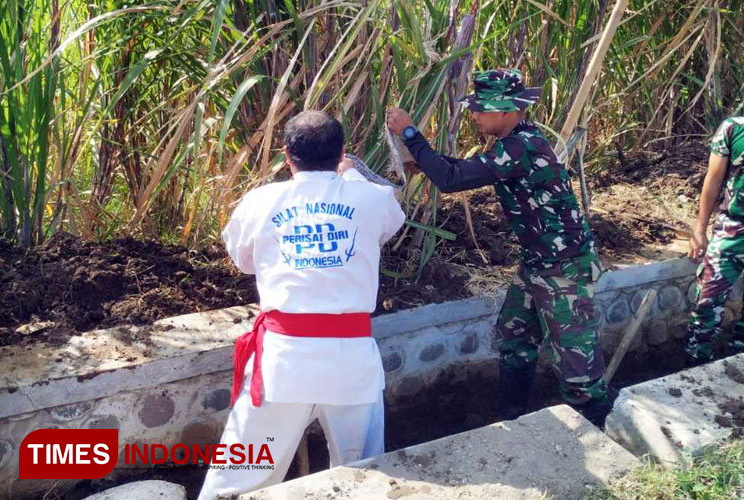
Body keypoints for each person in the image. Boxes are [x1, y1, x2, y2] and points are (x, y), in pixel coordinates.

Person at [198, 110, 406, 499]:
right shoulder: (370, 198)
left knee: (239, 474)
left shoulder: (260, 201)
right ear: (342, 151)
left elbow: (244, 262)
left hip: (283, 363)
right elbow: (390, 221)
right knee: (363, 474)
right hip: (351, 363)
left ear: (286, 154)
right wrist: (352, 173)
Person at [386, 69, 613, 426]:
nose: (474, 114)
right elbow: (466, 169)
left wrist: (412, 135)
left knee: (580, 371)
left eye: (481, 108)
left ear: (508, 111)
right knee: (515, 338)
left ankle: (602, 438)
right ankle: (513, 419)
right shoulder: (513, 144)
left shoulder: (522, 146)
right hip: (538, 262)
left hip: (564, 268)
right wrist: (423, 161)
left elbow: (453, 180)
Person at [687, 116, 744, 365]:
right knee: (707, 301)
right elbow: (713, 179)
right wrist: (700, 230)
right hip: (733, 228)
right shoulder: (733, 128)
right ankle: (696, 366)